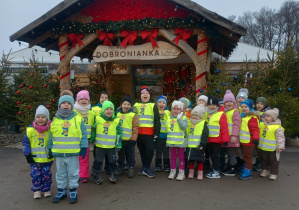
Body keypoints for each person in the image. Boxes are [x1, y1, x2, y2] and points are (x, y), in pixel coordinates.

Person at [47, 91, 88, 204]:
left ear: (72, 105)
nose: (66, 105)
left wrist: (84, 147)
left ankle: (73, 191)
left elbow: (83, 134)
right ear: (59, 105)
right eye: (63, 103)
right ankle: (61, 191)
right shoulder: (55, 120)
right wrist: (49, 148)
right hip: (59, 153)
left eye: (68, 103)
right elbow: (51, 135)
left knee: (73, 173)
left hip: (73, 153)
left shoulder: (77, 119)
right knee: (60, 173)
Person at [23, 105, 53, 199]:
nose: (40, 119)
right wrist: (27, 153)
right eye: (38, 117)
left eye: (43, 117)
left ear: (47, 119)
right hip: (34, 159)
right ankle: (36, 190)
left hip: (47, 158)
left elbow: (53, 141)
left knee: (47, 175)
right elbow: (26, 143)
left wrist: (52, 151)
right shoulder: (30, 131)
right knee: (36, 175)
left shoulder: (50, 130)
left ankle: (46, 189)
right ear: (35, 118)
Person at [91, 101, 122, 184]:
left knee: (112, 161)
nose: (109, 111)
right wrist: (91, 140)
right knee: (98, 161)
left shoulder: (116, 120)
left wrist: (118, 144)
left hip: (111, 147)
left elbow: (119, 133)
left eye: (111, 109)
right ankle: (95, 174)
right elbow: (94, 131)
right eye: (107, 109)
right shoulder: (98, 119)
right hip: (100, 146)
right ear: (103, 110)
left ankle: (114, 174)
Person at [134, 86, 160, 178]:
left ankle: (147, 167)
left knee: (150, 150)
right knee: (142, 151)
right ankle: (144, 168)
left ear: (149, 95)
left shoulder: (153, 105)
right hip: (139, 134)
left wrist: (157, 132)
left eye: (147, 93)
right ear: (140, 95)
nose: (145, 95)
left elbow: (157, 120)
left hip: (149, 133)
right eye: (143, 93)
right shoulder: (135, 105)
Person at [206, 96, 230, 179]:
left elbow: (224, 128)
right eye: (210, 104)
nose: (211, 106)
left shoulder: (221, 114)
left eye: (213, 105)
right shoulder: (206, 113)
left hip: (217, 140)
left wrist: (225, 140)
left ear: (217, 105)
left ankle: (216, 172)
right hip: (208, 139)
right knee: (212, 156)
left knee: (216, 156)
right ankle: (214, 170)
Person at [74, 90, 95, 183]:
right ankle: (74, 174)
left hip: (86, 140)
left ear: (89, 101)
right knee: (74, 158)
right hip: (74, 139)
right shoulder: (73, 112)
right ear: (77, 100)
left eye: (86, 99)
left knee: (84, 158)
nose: (83, 101)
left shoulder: (91, 113)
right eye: (81, 99)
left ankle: (83, 175)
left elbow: (94, 125)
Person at [116, 94, 139, 178]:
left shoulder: (133, 115)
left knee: (130, 155)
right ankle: (121, 167)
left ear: (131, 106)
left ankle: (131, 168)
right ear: (121, 104)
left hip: (130, 141)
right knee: (121, 155)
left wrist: (133, 139)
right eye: (125, 104)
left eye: (128, 104)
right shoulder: (117, 114)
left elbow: (135, 128)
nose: (126, 106)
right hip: (120, 140)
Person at [258, 108, 285, 180]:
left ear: (273, 118)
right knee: (264, 160)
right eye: (265, 116)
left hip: (273, 149)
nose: (265, 117)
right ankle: (265, 170)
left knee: (274, 161)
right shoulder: (262, 124)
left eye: (268, 116)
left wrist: (280, 147)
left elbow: (280, 138)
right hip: (263, 147)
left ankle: (273, 173)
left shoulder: (277, 127)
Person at [221, 90, 241, 176]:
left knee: (231, 153)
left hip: (232, 137)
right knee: (228, 152)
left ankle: (232, 168)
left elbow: (236, 125)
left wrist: (234, 135)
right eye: (227, 102)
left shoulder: (235, 112)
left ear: (234, 102)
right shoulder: (225, 112)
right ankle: (230, 166)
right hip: (226, 137)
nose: (229, 103)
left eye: (230, 101)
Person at [186, 104, 209, 180]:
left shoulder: (203, 123)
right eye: (193, 115)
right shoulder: (189, 122)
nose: (195, 117)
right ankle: (191, 172)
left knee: (200, 160)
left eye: (197, 115)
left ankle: (200, 172)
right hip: (190, 145)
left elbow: (205, 135)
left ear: (201, 116)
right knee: (191, 160)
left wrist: (202, 144)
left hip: (199, 146)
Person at [167, 101, 188, 181]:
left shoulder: (183, 118)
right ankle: (172, 171)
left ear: (181, 110)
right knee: (172, 157)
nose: (176, 111)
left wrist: (179, 119)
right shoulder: (169, 118)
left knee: (181, 157)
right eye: (174, 109)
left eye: (178, 109)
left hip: (180, 142)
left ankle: (181, 172)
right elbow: (168, 128)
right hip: (171, 141)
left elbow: (184, 127)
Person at [239, 99, 260, 180]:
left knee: (247, 156)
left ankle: (248, 171)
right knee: (244, 156)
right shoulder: (244, 116)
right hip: (243, 140)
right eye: (242, 107)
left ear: (250, 108)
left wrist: (255, 138)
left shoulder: (252, 118)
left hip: (249, 141)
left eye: (246, 107)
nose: (243, 108)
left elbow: (255, 129)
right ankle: (246, 167)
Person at [253, 96, 270, 172]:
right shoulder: (255, 112)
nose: (259, 105)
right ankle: (258, 162)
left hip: (264, 135)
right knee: (257, 150)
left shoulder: (267, 113)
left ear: (265, 105)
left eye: (261, 104)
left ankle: (262, 164)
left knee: (262, 150)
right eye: (258, 103)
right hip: (257, 134)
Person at [155, 95, 170, 172]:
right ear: (157, 104)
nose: (161, 104)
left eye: (163, 103)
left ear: (166, 105)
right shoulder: (155, 112)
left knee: (166, 151)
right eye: (159, 102)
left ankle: (167, 165)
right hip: (158, 135)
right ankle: (158, 165)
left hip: (166, 135)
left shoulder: (168, 112)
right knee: (158, 151)